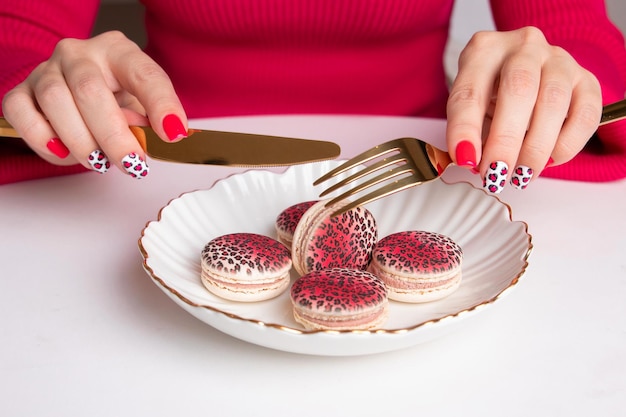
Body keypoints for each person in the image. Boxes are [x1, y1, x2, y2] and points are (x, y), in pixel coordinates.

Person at [1, 0, 625, 192]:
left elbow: (577, 33)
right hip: (159, 183)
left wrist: (560, 78)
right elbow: (19, 30)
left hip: (426, 182)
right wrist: (38, 84)